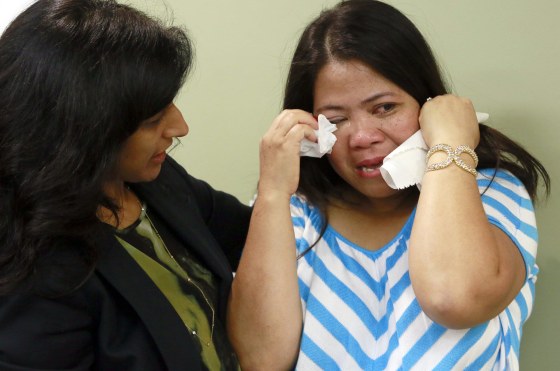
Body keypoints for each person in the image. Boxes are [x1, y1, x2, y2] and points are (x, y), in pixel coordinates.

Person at [228, 0, 551, 370]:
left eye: (384, 108)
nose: (362, 137)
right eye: (336, 118)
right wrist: (271, 193)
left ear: (428, 103)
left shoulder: (492, 193)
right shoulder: (293, 212)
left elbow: (455, 298)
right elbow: (259, 360)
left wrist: (449, 144)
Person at [0, 0, 251, 370]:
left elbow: (250, 235)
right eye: (153, 119)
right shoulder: (35, 273)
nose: (180, 127)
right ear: (82, 134)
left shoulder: (155, 180)